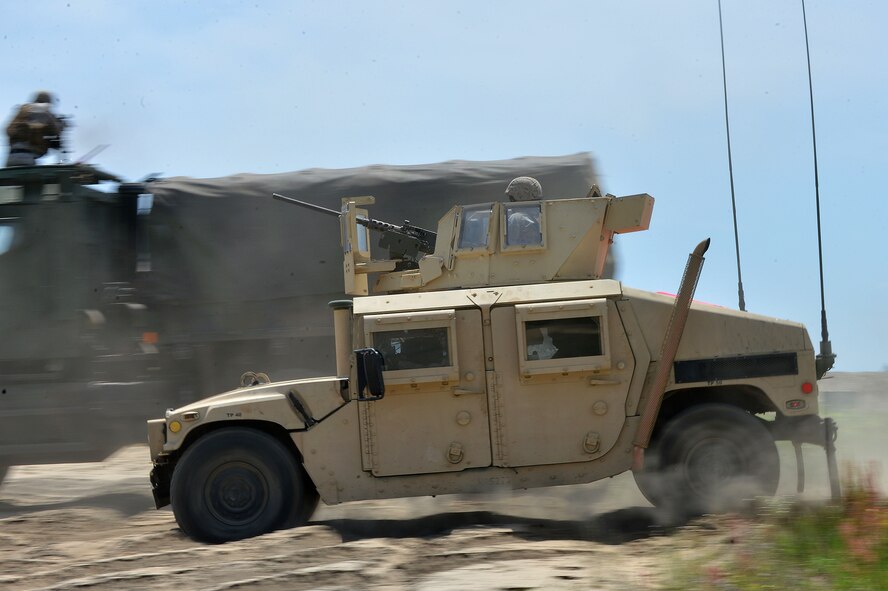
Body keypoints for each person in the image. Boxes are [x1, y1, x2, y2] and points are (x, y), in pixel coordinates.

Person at [5, 91, 66, 167]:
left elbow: (8, 130)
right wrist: (61, 125)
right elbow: (56, 133)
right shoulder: (45, 112)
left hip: (11, 157)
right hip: (28, 157)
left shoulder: (22, 111)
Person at [504, 176, 543, 246]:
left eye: (511, 197)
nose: (510, 200)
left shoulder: (516, 218)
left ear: (519, 195)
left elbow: (511, 245)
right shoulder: (538, 217)